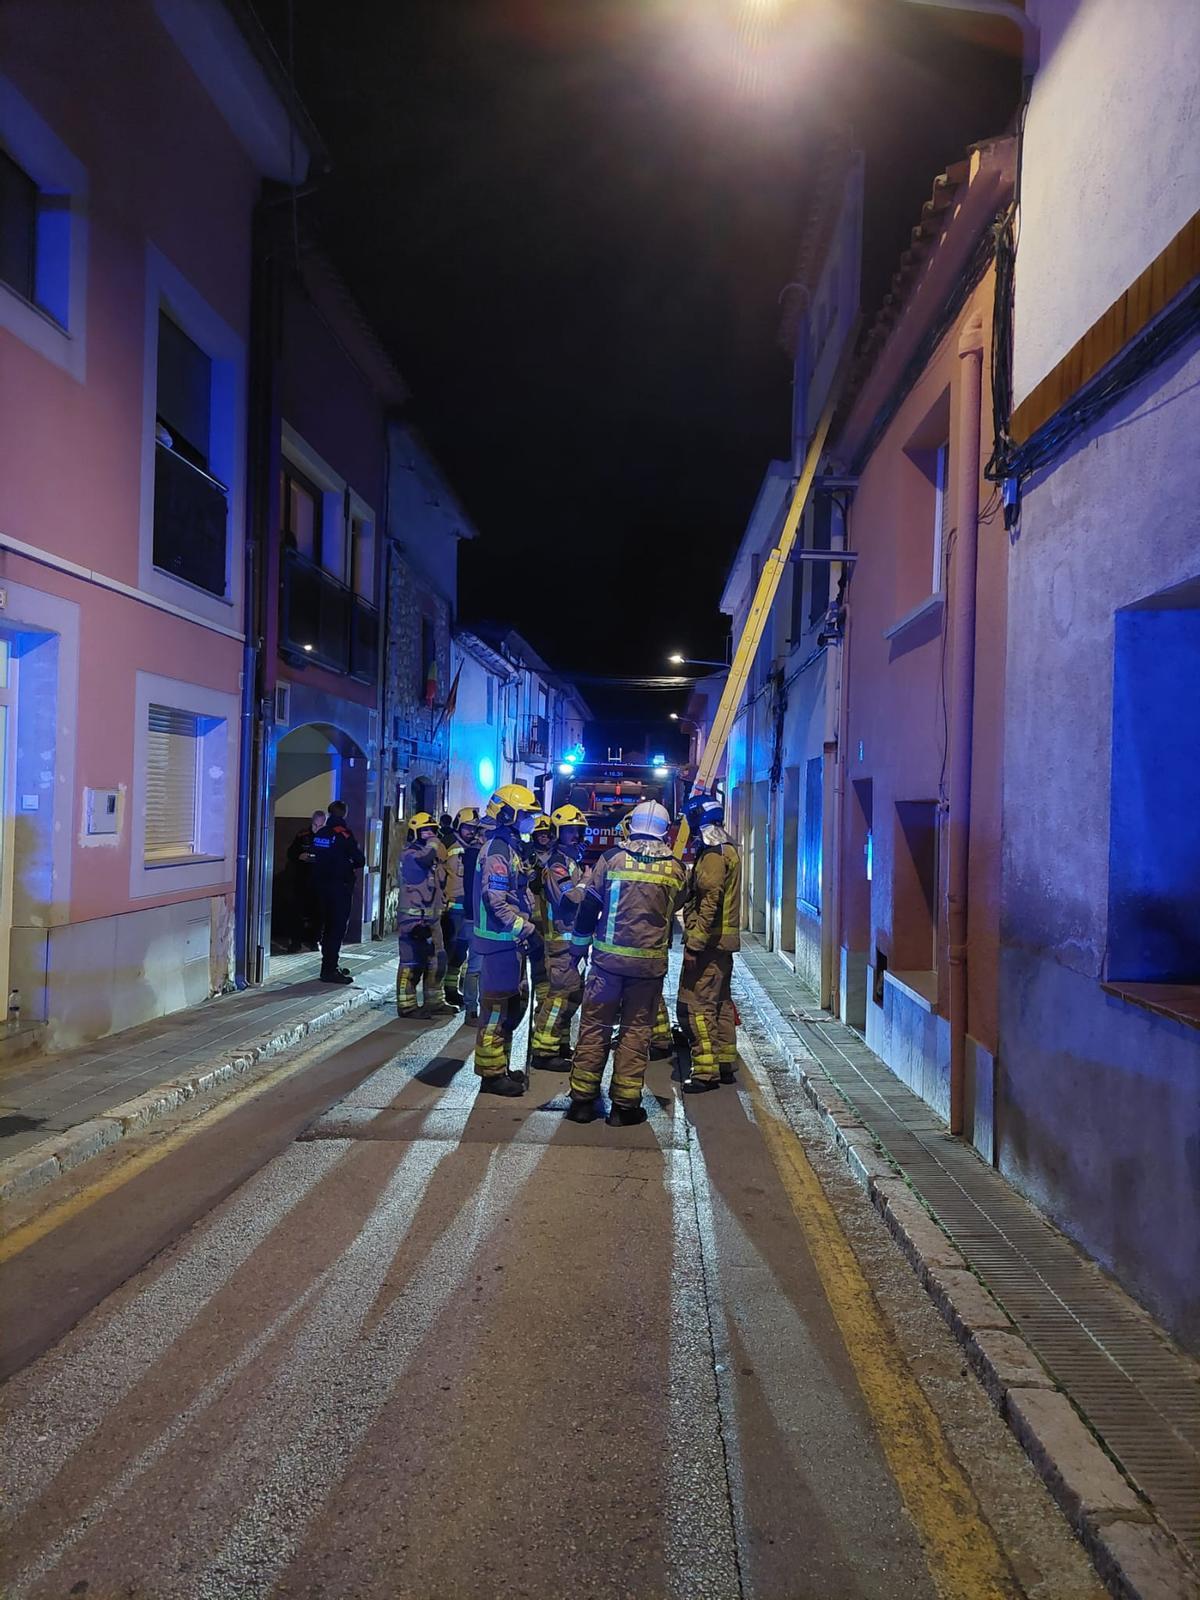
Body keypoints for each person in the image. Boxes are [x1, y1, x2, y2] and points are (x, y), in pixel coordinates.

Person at [566, 799, 688, 1127]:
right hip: (647, 970)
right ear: (664, 831)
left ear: (631, 826)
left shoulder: (610, 859)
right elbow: (677, 902)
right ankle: (624, 1106)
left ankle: (581, 1101)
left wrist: (577, 952)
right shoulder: (676, 868)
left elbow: (588, 909)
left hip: (607, 964)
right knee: (636, 1032)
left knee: (594, 1027)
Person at [470, 783, 540, 1096]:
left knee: (512, 1008)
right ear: (509, 814)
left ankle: (501, 1065)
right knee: (496, 1011)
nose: (531, 821)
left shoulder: (509, 847)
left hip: (508, 945)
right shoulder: (497, 851)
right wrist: (526, 930)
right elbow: (496, 901)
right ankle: (491, 1075)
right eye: (526, 814)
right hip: (498, 945)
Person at [676, 790, 742, 1091]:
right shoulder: (727, 848)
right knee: (721, 1003)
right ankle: (725, 1063)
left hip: (709, 945)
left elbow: (709, 899)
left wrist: (694, 943)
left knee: (698, 1006)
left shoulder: (713, 854)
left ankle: (705, 1072)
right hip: (722, 945)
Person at [528, 804, 590, 1068]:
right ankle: (544, 1051)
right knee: (559, 996)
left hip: (573, 941)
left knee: (572, 995)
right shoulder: (557, 864)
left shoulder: (571, 859)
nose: (574, 835)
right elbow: (569, 899)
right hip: (560, 941)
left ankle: (560, 1043)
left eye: (577, 830)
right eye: (568, 831)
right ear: (557, 833)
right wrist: (588, 881)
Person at [396, 812, 457, 1017]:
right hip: (413, 920)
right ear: (415, 832)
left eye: (432, 830)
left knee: (437, 962)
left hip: (432, 919)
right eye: (425, 830)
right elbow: (424, 860)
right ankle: (408, 1006)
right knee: (412, 964)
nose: (430, 834)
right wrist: (433, 843)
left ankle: (435, 1002)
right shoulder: (411, 854)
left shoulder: (431, 855)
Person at [309, 799, 366, 984]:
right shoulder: (344, 834)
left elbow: (315, 853)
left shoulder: (321, 833)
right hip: (339, 888)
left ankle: (328, 967)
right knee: (337, 929)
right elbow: (359, 859)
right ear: (344, 814)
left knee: (327, 928)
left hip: (320, 887)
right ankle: (329, 970)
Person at [442, 805, 482, 1007]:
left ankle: (451, 989)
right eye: (468, 828)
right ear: (458, 825)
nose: (471, 832)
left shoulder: (472, 849)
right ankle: (442, 991)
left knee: (460, 952)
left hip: (465, 908)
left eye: (474, 829)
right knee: (448, 950)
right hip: (450, 908)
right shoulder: (449, 846)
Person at [525, 811, 555, 1012]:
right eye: (540, 834)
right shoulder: (527, 855)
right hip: (535, 917)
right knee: (537, 962)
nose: (543, 837)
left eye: (547, 834)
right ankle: (541, 1001)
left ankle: (549, 999)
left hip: (554, 920)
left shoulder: (558, 856)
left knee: (552, 962)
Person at [284, 809, 326, 951]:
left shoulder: (328, 837)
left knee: (318, 913)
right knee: (297, 912)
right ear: (311, 822)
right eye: (315, 825)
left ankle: (315, 941)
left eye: (320, 826)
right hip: (301, 879)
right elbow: (291, 852)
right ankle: (295, 942)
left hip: (320, 881)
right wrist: (299, 856)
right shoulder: (303, 835)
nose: (317, 829)